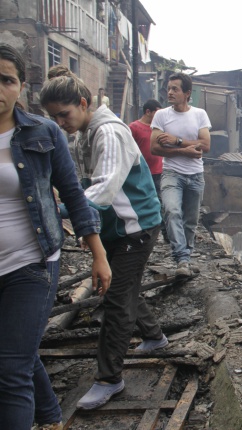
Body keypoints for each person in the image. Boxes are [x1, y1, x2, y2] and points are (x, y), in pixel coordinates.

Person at [40, 69, 169, 411]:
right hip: (118, 227)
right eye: (53, 117)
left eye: (63, 114)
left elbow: (103, 187)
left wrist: (67, 211)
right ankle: (155, 337)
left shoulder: (108, 132)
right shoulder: (86, 131)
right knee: (123, 289)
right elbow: (86, 181)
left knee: (116, 301)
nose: (60, 122)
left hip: (135, 227)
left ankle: (110, 378)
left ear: (83, 104)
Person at [0, 44, 111, 430]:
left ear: (20, 86)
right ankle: (49, 418)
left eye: (7, 79)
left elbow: (75, 195)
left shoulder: (42, 132)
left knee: (9, 370)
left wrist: (98, 253)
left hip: (32, 261)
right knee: (20, 351)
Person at [150, 72, 211, 278]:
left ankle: (186, 256)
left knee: (191, 220)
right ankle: (182, 259)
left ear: (187, 93)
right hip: (171, 173)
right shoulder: (161, 115)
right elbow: (154, 148)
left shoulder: (199, 114)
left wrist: (177, 141)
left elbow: (206, 145)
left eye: (175, 89)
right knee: (172, 210)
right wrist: (184, 151)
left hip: (195, 175)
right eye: (169, 88)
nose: (170, 92)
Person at [129, 99, 167, 241]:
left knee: (161, 203)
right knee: (144, 202)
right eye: (156, 113)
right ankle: (144, 231)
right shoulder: (134, 127)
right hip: (141, 173)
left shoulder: (158, 129)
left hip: (158, 171)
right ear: (148, 112)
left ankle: (165, 233)